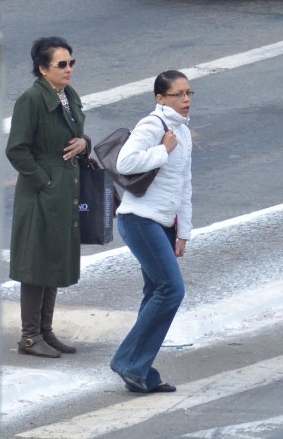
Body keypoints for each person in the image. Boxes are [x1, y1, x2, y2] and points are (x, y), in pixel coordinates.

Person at [110, 70, 193, 393]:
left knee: (155, 293)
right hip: (139, 219)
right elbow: (124, 163)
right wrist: (163, 151)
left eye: (189, 93)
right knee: (171, 290)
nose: (186, 100)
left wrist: (183, 230)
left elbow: (184, 184)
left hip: (164, 222)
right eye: (178, 95)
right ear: (161, 99)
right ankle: (129, 362)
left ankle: (139, 371)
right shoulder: (153, 125)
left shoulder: (182, 132)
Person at [6, 36, 88, 358]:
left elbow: (75, 135)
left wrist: (85, 143)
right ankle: (29, 337)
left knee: (53, 255)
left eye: (71, 63)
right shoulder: (31, 100)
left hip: (64, 186)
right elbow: (16, 149)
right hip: (43, 190)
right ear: (43, 69)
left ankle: (45, 331)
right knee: (36, 261)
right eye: (61, 64)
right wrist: (45, 182)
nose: (69, 69)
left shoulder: (67, 95)